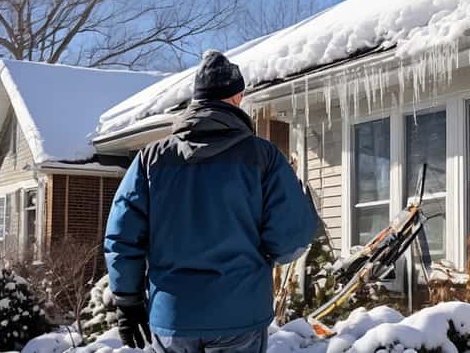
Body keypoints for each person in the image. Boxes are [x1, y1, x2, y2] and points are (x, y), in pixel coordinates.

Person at [104, 50, 319, 353]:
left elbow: (122, 237)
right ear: (234, 97)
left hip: (173, 317)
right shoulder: (262, 157)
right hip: (240, 316)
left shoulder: (150, 160)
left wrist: (127, 301)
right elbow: (290, 239)